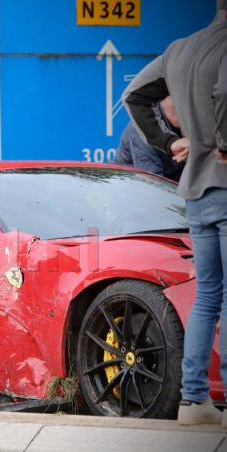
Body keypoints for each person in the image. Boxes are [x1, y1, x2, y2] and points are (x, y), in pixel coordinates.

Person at [122, 2, 227, 426]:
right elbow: (223, 93)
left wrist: (167, 143)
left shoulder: (180, 48)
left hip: (196, 192)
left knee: (208, 297)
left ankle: (194, 402)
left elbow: (134, 96)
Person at [115, 96, 186, 181]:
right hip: (132, 189)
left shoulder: (191, 126)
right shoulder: (143, 126)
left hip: (174, 188)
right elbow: (152, 183)